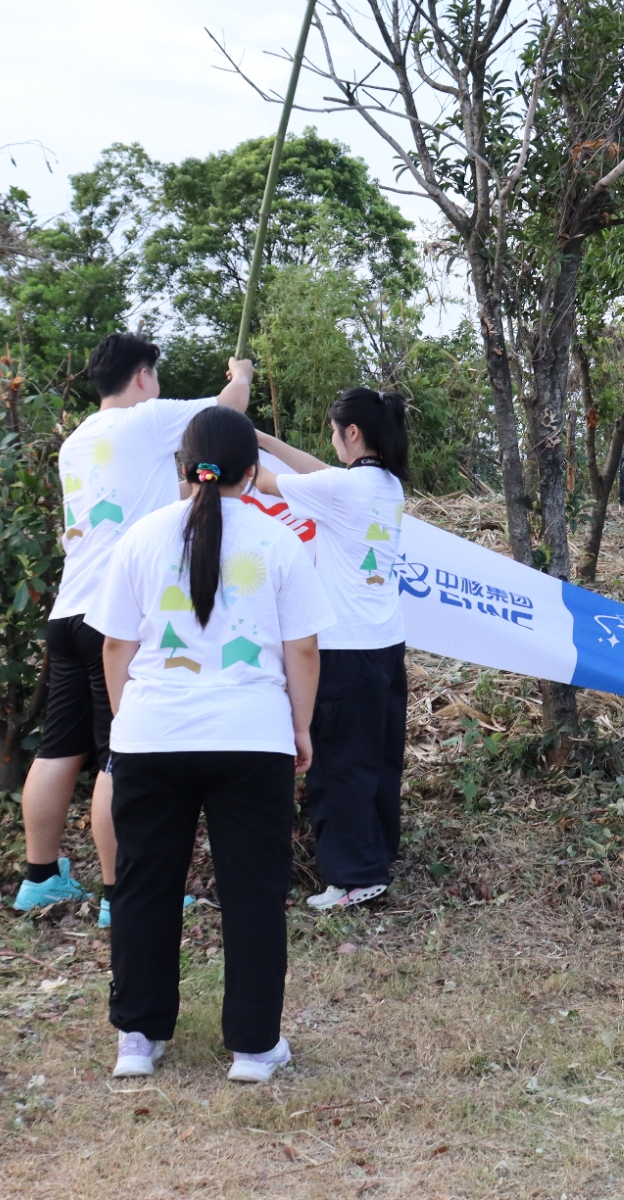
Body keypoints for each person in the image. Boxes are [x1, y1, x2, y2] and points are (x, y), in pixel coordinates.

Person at [91, 406, 333, 1082]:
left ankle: (138, 1038)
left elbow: (114, 646)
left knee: (143, 883)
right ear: (252, 472)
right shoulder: (278, 540)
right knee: (254, 891)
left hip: (149, 736)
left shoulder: (141, 537)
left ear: (183, 468)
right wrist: (300, 728)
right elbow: (304, 649)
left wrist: (131, 723)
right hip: (252, 738)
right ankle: (253, 1048)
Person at [14, 333, 253, 926]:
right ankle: (119, 894)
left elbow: (149, 495)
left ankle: (39, 878)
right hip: (114, 617)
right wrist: (241, 374)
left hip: (68, 612)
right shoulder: (145, 420)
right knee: (118, 753)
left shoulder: (76, 441)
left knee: (58, 748)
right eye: (157, 377)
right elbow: (226, 414)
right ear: (142, 376)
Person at [253, 389, 409, 910]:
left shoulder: (341, 488)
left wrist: (232, 444)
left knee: (340, 763)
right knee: (378, 760)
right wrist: (262, 437)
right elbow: (318, 471)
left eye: (335, 431)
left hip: (344, 648)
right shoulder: (387, 485)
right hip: (385, 644)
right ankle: (375, 857)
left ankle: (354, 877)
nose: (331, 441)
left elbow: (265, 482)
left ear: (353, 433)